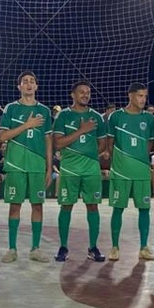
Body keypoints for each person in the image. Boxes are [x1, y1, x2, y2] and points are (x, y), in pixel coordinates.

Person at [0, 71, 53, 262]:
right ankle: (12, 249)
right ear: (19, 87)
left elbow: (48, 140)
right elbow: (3, 137)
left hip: (37, 165)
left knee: (38, 206)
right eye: (25, 81)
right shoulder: (11, 108)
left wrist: (49, 167)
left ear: (36, 86)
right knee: (15, 206)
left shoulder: (44, 111)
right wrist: (27, 125)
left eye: (32, 81)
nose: (29, 84)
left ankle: (35, 249)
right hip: (16, 164)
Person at [52, 81, 106, 263]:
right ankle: (63, 247)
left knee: (93, 206)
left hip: (91, 169)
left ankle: (93, 247)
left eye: (88, 92)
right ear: (73, 95)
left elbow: (102, 145)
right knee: (66, 206)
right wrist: (81, 130)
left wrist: (87, 155)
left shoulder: (96, 117)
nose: (85, 95)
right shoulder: (63, 116)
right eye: (81, 92)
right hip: (69, 169)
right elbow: (58, 143)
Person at [105, 82, 154, 261]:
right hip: (121, 172)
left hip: (141, 171)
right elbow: (110, 144)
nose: (143, 99)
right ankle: (114, 247)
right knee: (118, 208)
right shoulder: (116, 117)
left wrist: (138, 158)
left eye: (145, 96)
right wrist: (122, 161)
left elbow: (150, 143)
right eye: (140, 96)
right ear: (130, 95)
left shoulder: (149, 119)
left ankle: (143, 247)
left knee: (144, 209)